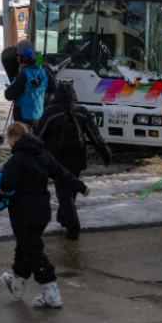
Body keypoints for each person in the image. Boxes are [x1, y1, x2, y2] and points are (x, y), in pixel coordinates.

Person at [0, 122, 90, 308]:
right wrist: (81, 186)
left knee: (33, 251)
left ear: (14, 139)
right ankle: (16, 286)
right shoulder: (43, 153)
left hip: (23, 213)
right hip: (41, 211)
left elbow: (6, 186)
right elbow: (62, 173)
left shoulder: (17, 159)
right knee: (24, 248)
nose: (8, 144)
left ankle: (51, 294)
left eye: (8, 140)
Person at [34, 83, 112, 240]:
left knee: (64, 194)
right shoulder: (81, 111)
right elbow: (93, 134)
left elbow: (39, 136)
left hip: (57, 161)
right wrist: (105, 152)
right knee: (70, 189)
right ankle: (63, 219)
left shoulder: (51, 112)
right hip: (77, 160)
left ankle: (73, 228)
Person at [4, 47, 48, 129]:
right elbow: (52, 88)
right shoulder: (43, 72)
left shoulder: (22, 76)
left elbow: (8, 95)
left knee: (24, 141)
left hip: (23, 119)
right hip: (39, 116)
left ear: (23, 60)